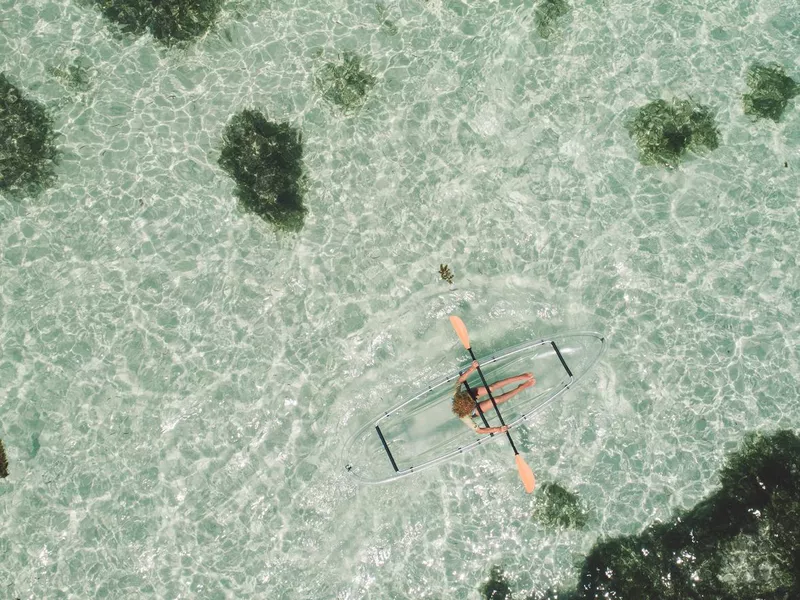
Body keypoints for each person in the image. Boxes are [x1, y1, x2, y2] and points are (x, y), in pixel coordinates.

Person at [451, 360, 535, 434]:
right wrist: (498, 429)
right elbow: (479, 430)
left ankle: (520, 377)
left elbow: (460, 380)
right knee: (496, 400)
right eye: (473, 402)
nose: (475, 398)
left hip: (468, 394)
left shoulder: (456, 395)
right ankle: (521, 387)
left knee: (491, 388)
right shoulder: (464, 417)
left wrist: (472, 368)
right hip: (473, 411)